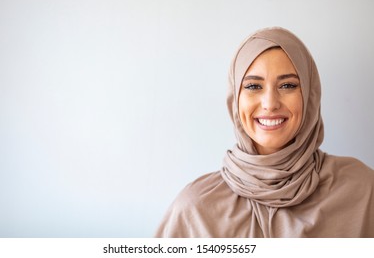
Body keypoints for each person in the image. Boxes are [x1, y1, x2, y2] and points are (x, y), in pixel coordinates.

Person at [155, 27, 374, 237]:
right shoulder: (196, 210)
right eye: (252, 86)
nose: (270, 103)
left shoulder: (362, 190)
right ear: (235, 99)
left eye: (287, 85)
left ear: (310, 94)